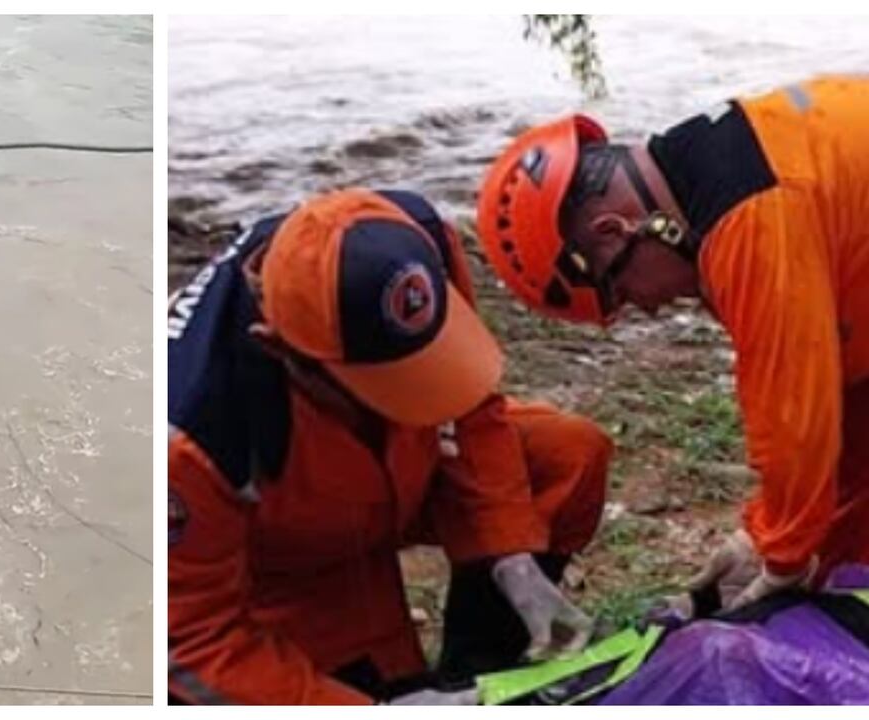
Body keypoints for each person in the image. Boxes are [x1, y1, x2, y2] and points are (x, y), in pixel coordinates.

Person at [167, 188, 613, 704]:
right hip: (281, 556)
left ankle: (486, 671)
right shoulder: (188, 436)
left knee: (563, 452)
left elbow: (470, 406)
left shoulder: (411, 246)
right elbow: (191, 640)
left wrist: (508, 551)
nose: (416, 401)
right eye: (382, 386)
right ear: (277, 348)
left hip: (400, 476)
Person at [476, 75, 869, 613]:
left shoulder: (747, 218)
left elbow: (793, 415)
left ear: (615, 230)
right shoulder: (717, 177)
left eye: (623, 293)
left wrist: (782, 554)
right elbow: (838, 412)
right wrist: (765, 536)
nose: (649, 306)